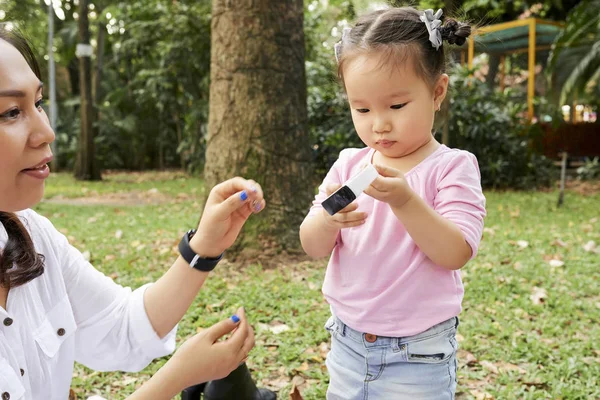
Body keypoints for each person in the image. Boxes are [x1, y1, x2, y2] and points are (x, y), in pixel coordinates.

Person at [0, 26, 267, 400]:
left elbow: (122, 326)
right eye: (12, 112)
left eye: (38, 103)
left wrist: (204, 246)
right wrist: (176, 377)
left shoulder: (28, 234)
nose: (46, 131)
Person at [299, 7, 487, 400]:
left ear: (437, 92)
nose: (378, 124)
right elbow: (312, 246)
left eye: (396, 106)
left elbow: (455, 252)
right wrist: (329, 220)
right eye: (362, 109)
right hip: (347, 344)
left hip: (418, 354)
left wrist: (405, 200)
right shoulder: (349, 165)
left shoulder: (452, 168)